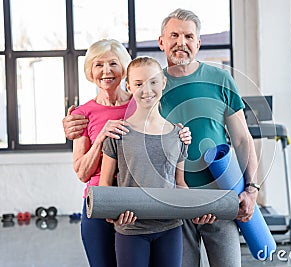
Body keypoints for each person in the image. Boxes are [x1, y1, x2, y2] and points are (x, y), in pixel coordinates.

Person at [64, 9, 260, 267]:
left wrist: (252, 188)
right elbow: (112, 118)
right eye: (174, 35)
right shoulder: (149, 85)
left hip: (215, 195)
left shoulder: (218, 79)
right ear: (161, 42)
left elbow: (243, 139)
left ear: (198, 43)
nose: (181, 42)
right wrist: (73, 122)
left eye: (189, 36)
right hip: (167, 205)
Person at [68, 39, 192, 267]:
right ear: (90, 71)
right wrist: (102, 138)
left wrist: (182, 135)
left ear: (123, 69)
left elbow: (164, 135)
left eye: (113, 63)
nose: (106, 71)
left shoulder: (140, 101)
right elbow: (82, 173)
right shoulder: (81, 113)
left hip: (142, 207)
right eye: (98, 64)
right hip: (102, 203)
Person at [99, 56, 215, 267]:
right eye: (138, 83)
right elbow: (105, 185)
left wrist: (195, 211)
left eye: (153, 81)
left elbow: (180, 185)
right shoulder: (118, 133)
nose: (147, 89)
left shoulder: (178, 135)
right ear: (128, 86)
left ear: (163, 82)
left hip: (170, 228)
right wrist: (113, 215)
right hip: (131, 229)